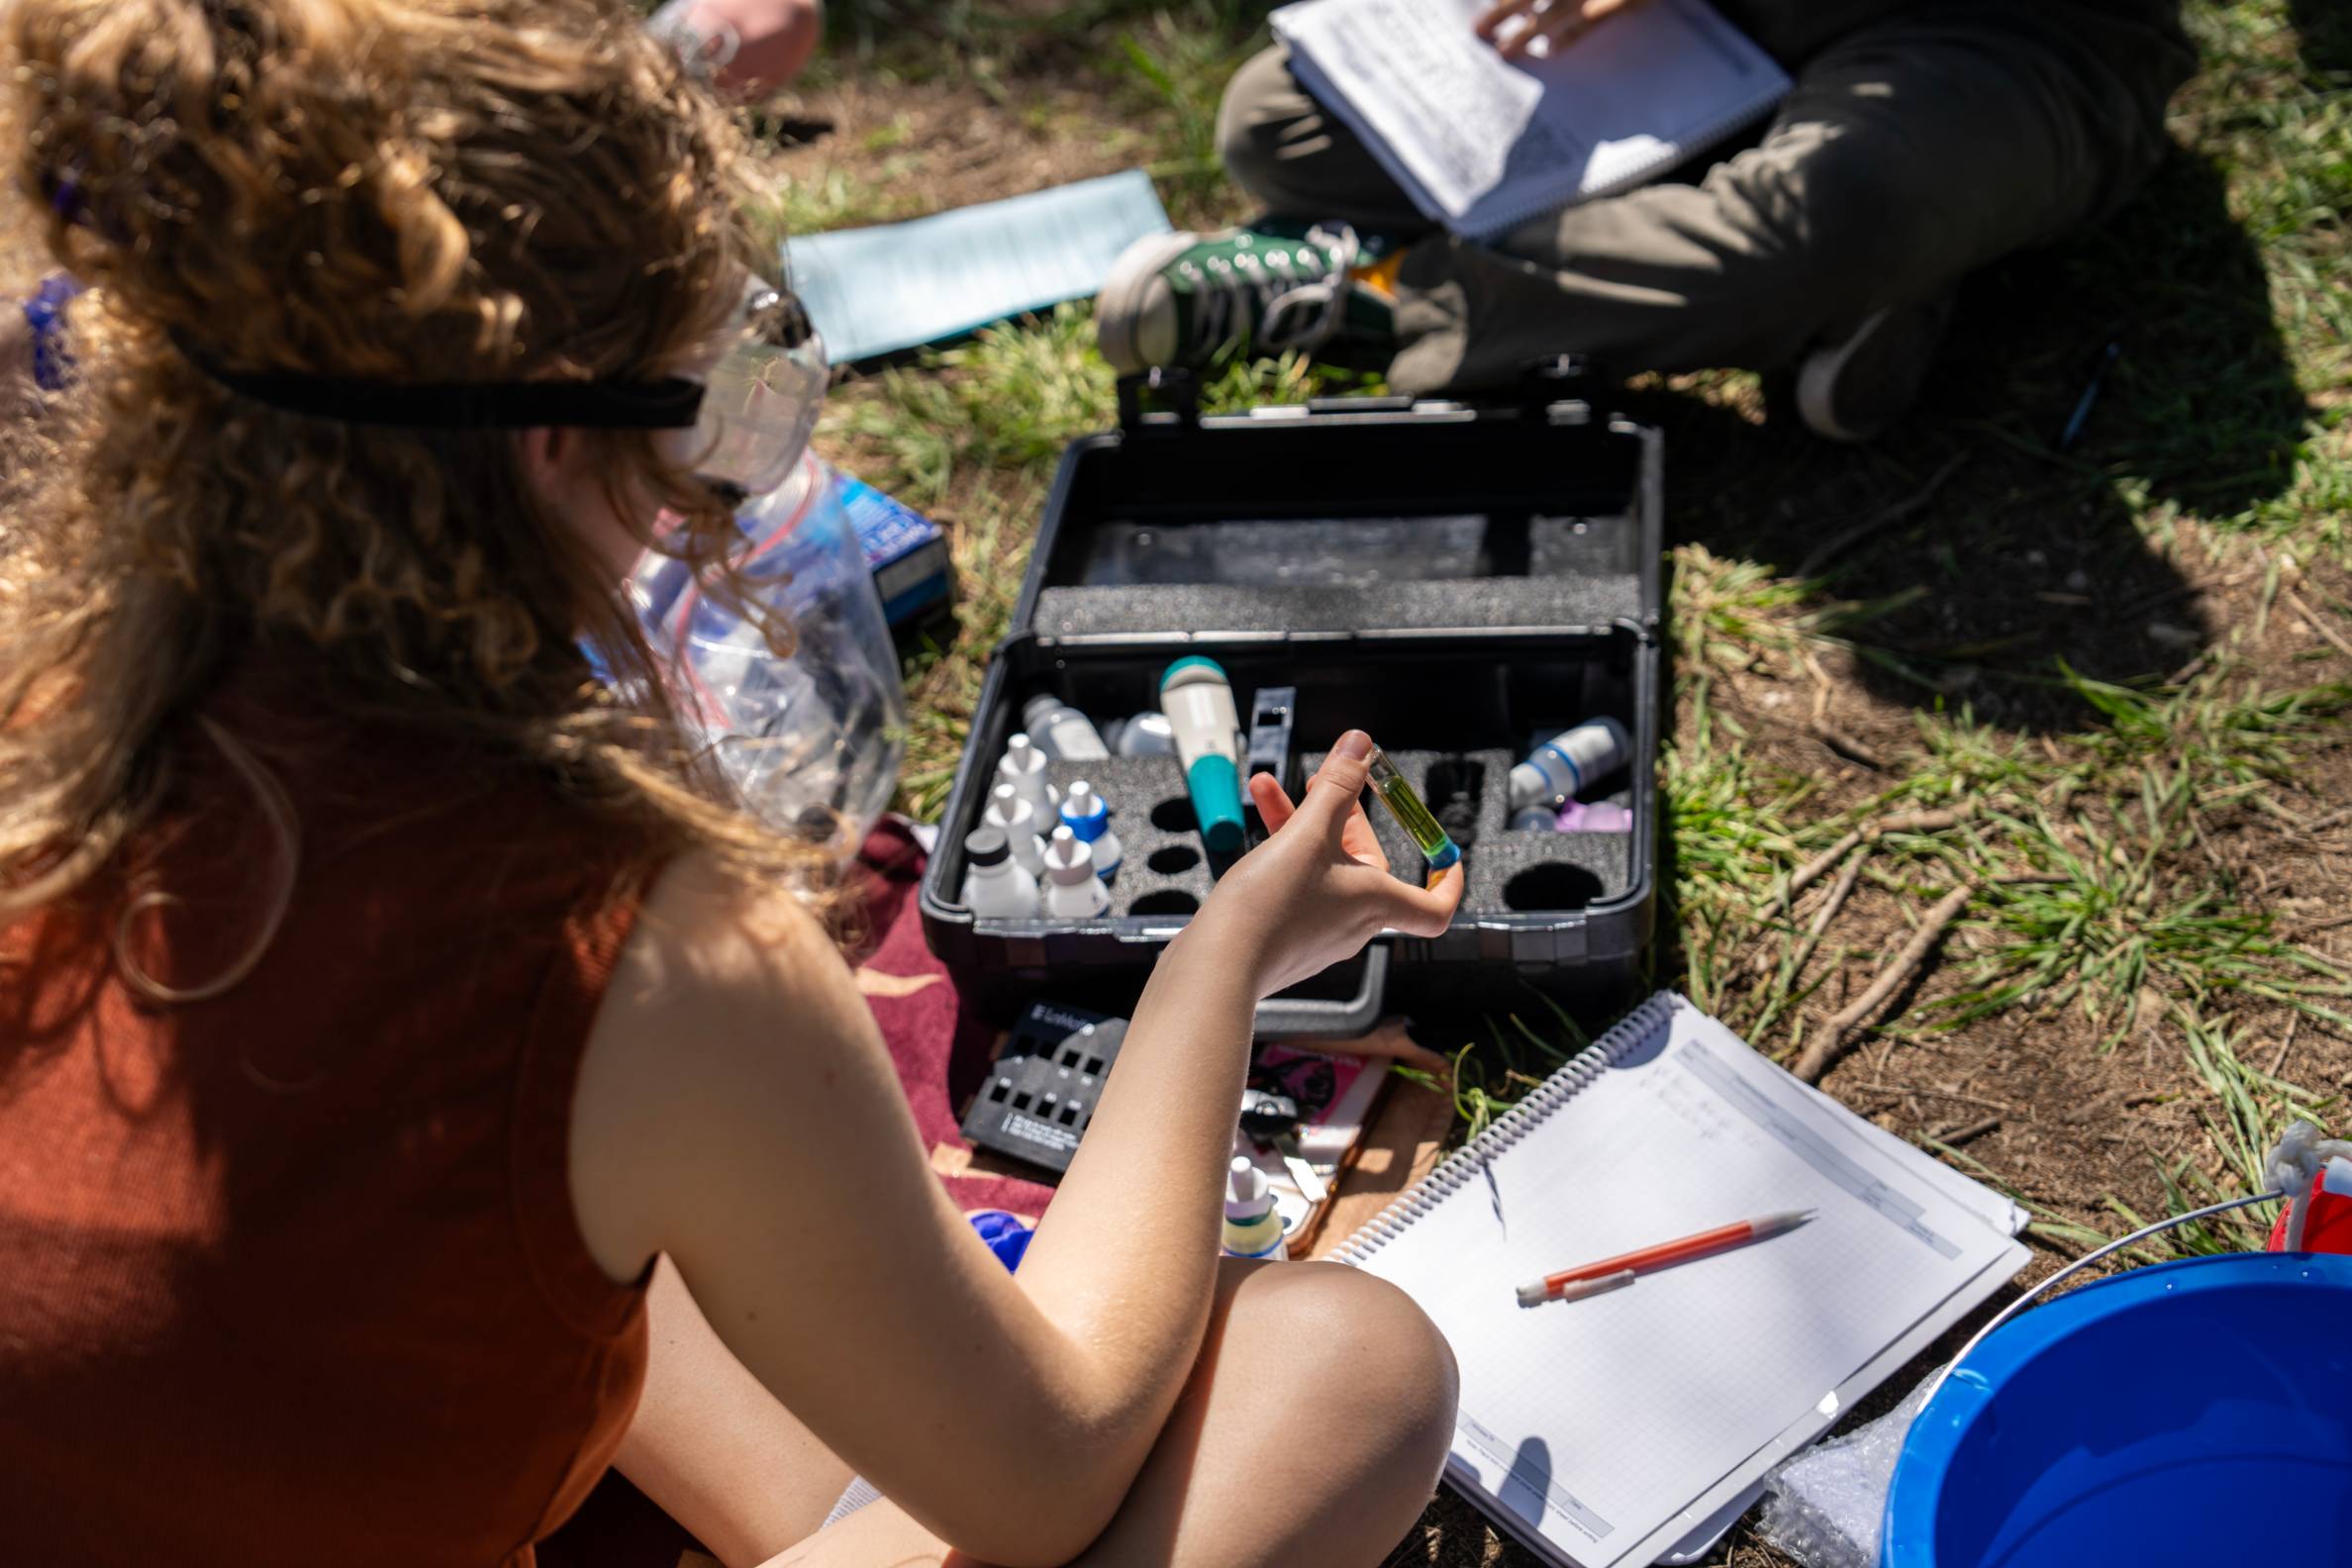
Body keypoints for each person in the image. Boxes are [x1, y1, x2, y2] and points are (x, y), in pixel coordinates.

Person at [0, 3, 1464, 1566]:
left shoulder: (45, 699)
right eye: (703, 378)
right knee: (1347, 1371)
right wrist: (1220, 959)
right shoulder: (628, 945)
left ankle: (843, 1500)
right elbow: (1050, 1479)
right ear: (560, 439)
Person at [1095, 0, 2195, 441]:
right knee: (1278, 123)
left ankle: (1377, 296)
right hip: (1728, 23)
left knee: (1850, 205)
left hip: (2003, 29)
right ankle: (1837, 283)